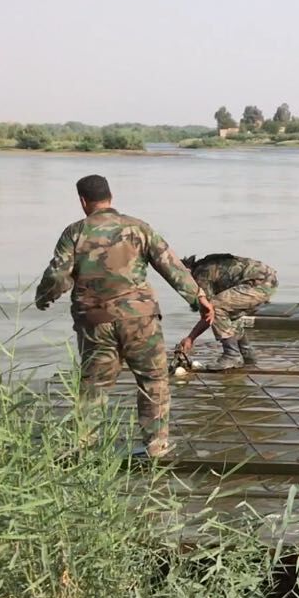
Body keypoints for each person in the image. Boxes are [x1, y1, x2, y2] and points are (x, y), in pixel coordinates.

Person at [35, 174, 214, 457]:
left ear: (83, 201)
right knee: (153, 380)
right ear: (110, 197)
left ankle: (82, 445)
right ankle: (156, 446)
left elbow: (58, 274)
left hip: (95, 322)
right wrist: (198, 297)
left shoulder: (75, 232)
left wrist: (44, 297)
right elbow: (170, 265)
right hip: (140, 320)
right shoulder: (138, 228)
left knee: (94, 384)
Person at [176, 253, 278, 370]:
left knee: (215, 308)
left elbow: (208, 314)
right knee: (228, 311)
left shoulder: (201, 274)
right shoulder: (206, 267)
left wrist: (190, 338)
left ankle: (232, 355)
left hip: (257, 283)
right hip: (267, 281)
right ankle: (246, 353)